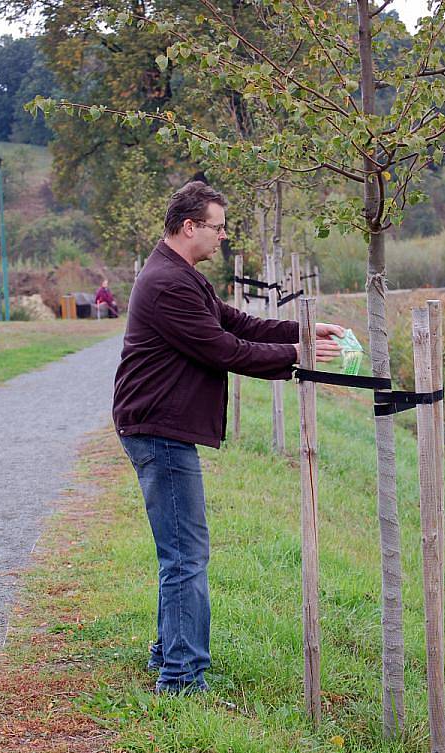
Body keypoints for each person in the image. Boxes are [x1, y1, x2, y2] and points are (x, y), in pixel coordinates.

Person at [113, 181, 343, 695]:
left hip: (160, 426)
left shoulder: (180, 274)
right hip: (159, 429)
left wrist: (301, 332)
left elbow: (233, 322)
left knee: (179, 553)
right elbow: (223, 350)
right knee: (186, 557)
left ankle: (168, 656)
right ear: (189, 226)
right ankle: (182, 678)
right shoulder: (168, 284)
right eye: (217, 226)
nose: (223, 236)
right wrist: (298, 359)